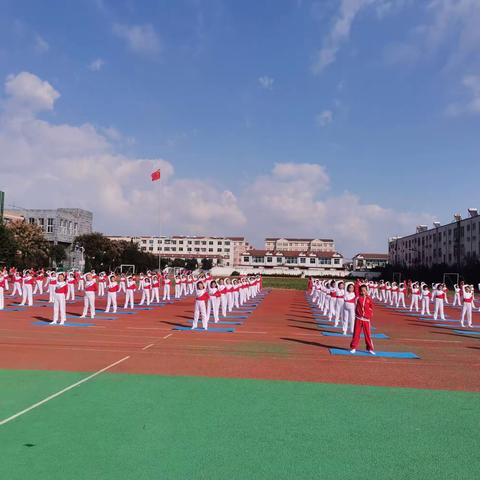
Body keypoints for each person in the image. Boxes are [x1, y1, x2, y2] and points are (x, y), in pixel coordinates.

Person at [350, 284, 375, 355]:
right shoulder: (358, 298)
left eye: (364, 290)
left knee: (367, 334)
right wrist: (358, 283)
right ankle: (353, 347)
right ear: (360, 291)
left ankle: (370, 348)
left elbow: (371, 308)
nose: (363, 292)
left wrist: (369, 315)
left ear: (367, 291)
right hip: (358, 318)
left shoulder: (369, 299)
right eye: (362, 291)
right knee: (356, 333)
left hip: (366, 320)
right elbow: (356, 289)